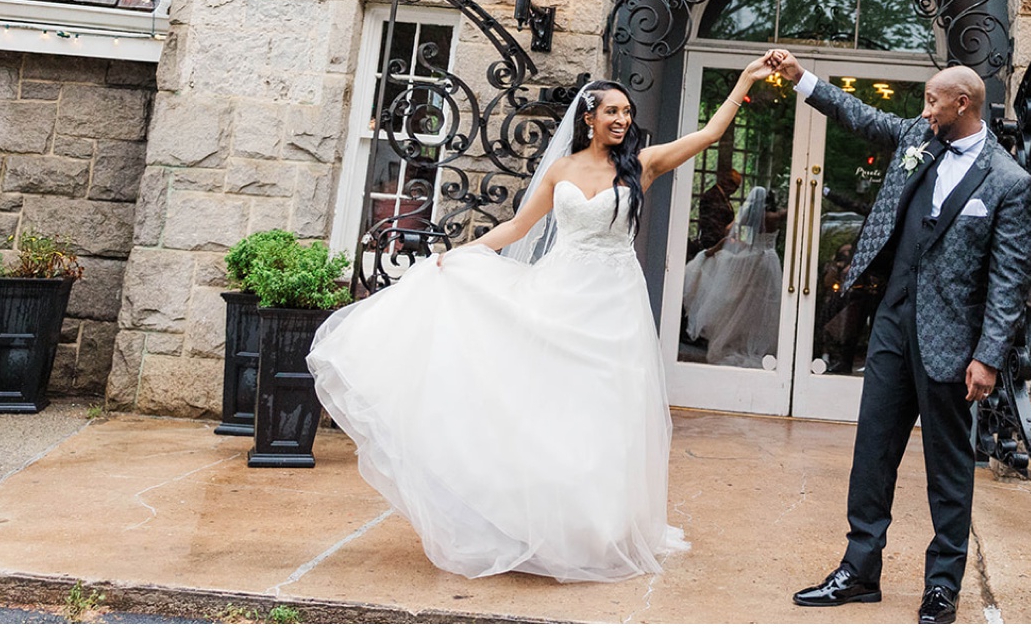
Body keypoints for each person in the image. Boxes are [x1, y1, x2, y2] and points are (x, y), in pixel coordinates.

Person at [306, 58, 773, 583]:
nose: (622, 119)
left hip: (615, 302)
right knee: (550, 403)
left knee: (608, 408)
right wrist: (463, 253)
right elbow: (517, 225)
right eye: (612, 110)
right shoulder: (561, 170)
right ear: (589, 117)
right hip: (561, 289)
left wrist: (746, 79)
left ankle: (600, 524)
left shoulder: (641, 164)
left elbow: (710, 132)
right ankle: (537, 518)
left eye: (627, 111)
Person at [767, 49, 1031, 625]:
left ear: (963, 104)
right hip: (892, 320)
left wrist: (987, 357)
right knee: (873, 451)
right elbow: (861, 116)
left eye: (933, 99)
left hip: (952, 343)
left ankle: (942, 586)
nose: (924, 107)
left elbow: (1010, 278)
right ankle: (859, 571)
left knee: (949, 469)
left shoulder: (1009, 180)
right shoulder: (919, 134)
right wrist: (801, 80)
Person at [681, 185, 784, 367]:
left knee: (746, 303)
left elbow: (729, 229)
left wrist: (738, 239)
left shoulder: (754, 216)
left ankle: (741, 341)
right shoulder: (774, 217)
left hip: (752, 259)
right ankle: (761, 345)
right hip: (769, 260)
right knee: (764, 305)